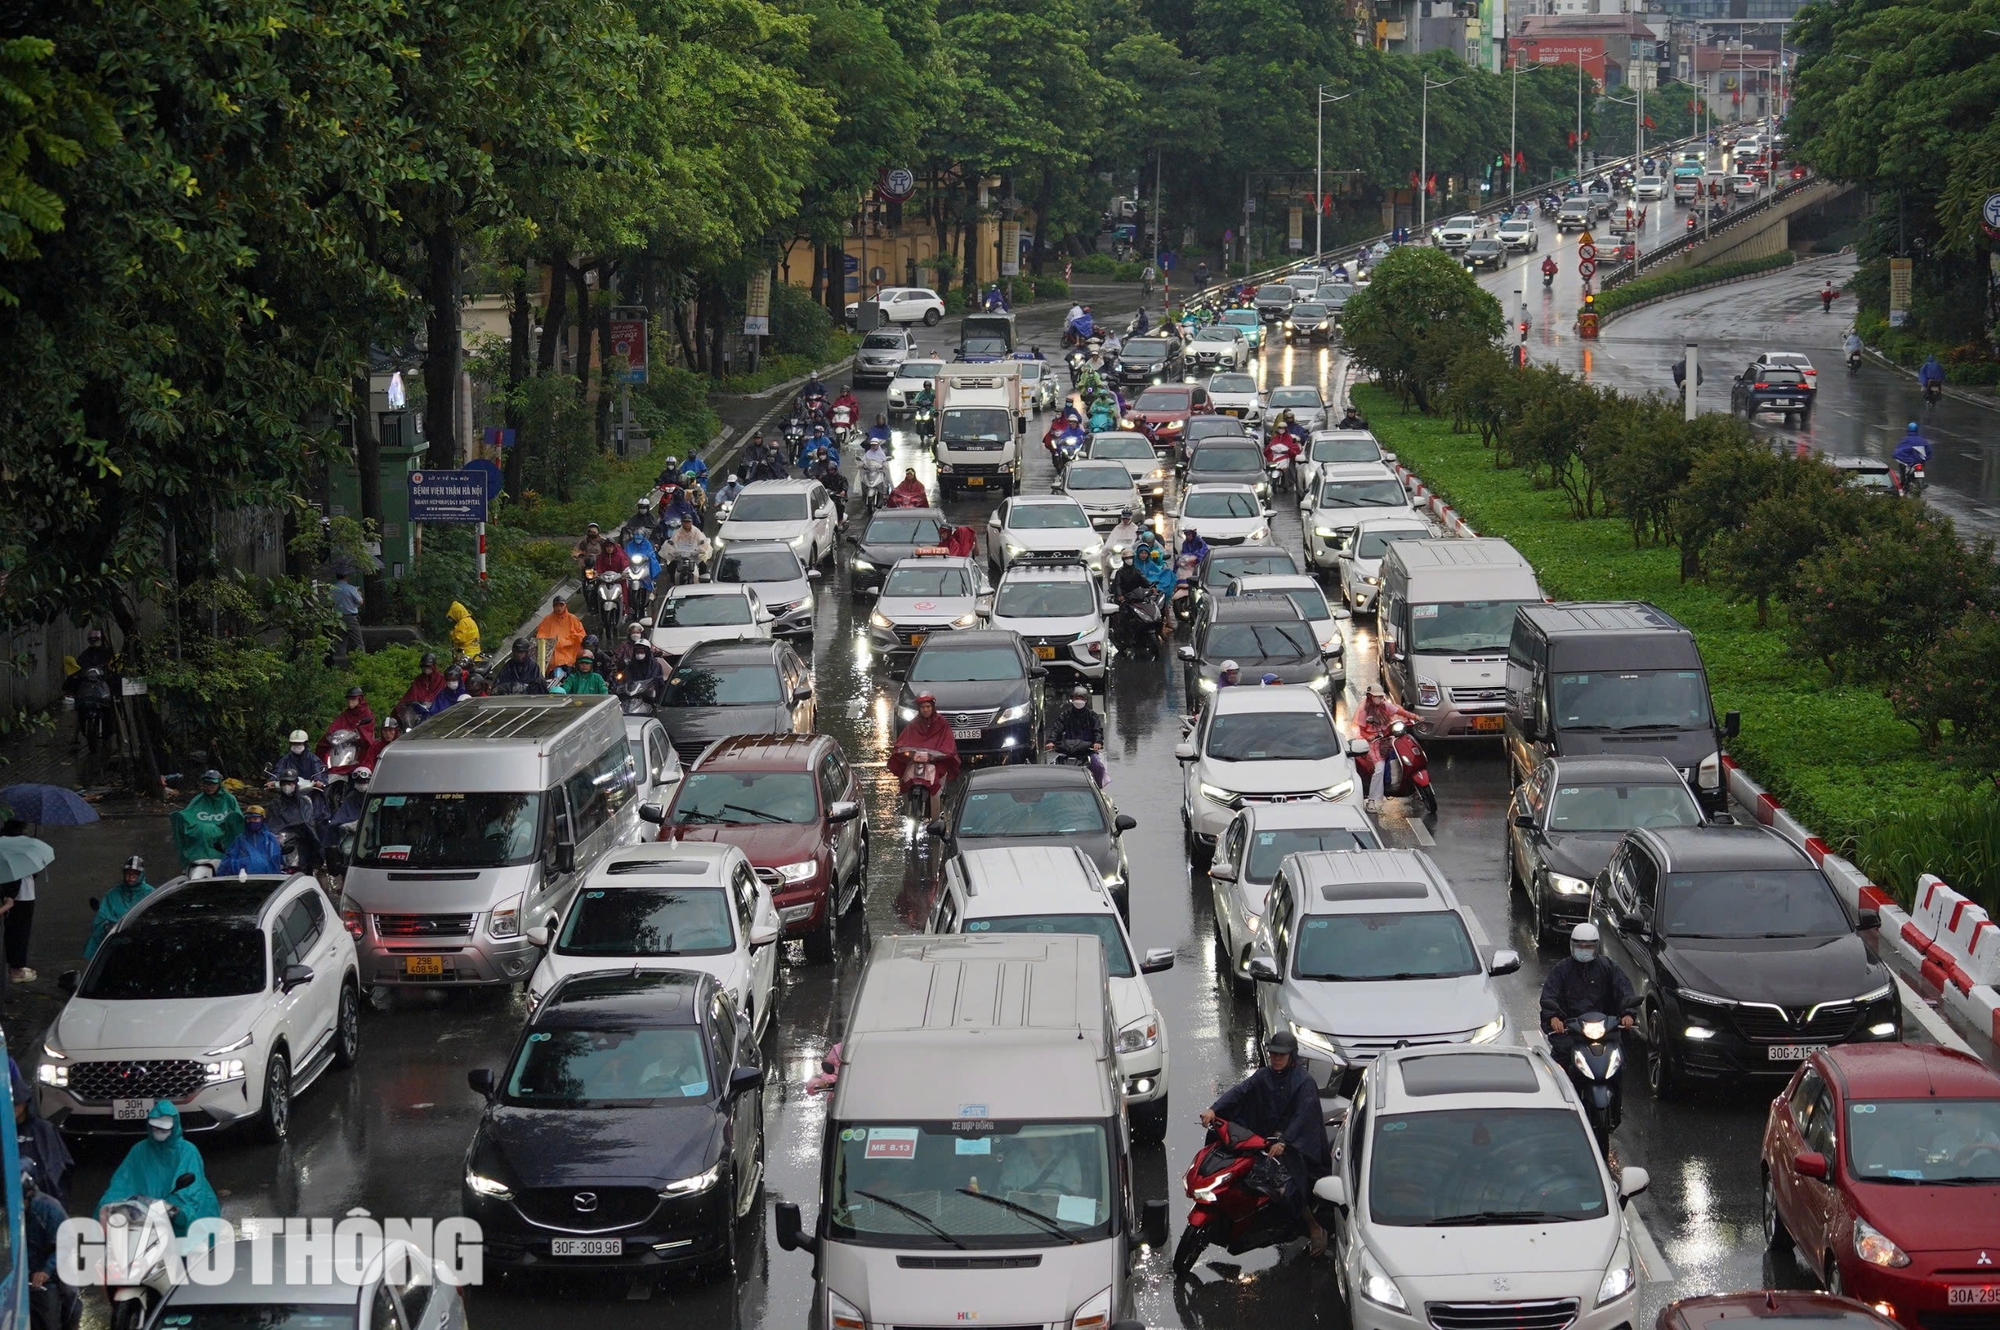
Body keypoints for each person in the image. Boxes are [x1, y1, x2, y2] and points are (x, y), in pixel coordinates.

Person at [1201, 1030, 1329, 1254]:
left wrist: (1285, 1142)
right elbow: (1240, 1092)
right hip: (1262, 1140)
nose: (1276, 1058)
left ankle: (1313, 1226)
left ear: (1292, 1056)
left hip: (1292, 1146)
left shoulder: (1304, 1083)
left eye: (1281, 1055)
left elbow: (1303, 1117)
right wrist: (1214, 1109)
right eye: (1273, 1054)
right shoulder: (1263, 1076)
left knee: (1287, 1187)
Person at [98, 1101, 221, 1239]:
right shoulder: (139, 1150)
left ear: (174, 1127)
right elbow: (121, 1183)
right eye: (155, 1128)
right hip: (142, 1215)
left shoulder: (187, 1151)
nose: (158, 1132)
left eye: (163, 1129)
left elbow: (191, 1192)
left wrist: (171, 1208)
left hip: (173, 1215)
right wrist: (109, 1204)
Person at [1541, 922, 1638, 1039]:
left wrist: (1628, 1013)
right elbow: (1549, 995)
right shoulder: (1561, 969)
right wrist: (1554, 1018)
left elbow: (1623, 988)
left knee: (1621, 1054)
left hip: (1605, 1030)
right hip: (1570, 1031)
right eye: (1580, 946)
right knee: (1560, 1055)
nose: (1583, 950)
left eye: (1588, 947)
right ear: (1572, 945)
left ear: (1596, 946)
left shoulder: (1607, 967)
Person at [888, 693, 960, 819]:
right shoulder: (914, 724)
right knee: (904, 781)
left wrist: (941, 754)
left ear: (932, 707)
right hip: (916, 761)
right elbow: (904, 740)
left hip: (936, 762)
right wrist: (904, 751)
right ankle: (906, 808)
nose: (925, 710)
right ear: (919, 709)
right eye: (922, 707)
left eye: (928, 706)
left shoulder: (941, 723)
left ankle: (937, 817)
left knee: (937, 788)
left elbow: (947, 742)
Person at [23, 1166, 76, 1330]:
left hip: (50, 1273)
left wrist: (46, 1270)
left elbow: (67, 1243)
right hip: (23, 1275)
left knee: (66, 1300)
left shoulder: (50, 1209)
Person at [12, 1066, 71, 1204]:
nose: (13, 1108)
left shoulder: (43, 1129)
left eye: (17, 1103)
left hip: (39, 1195)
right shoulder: (5, 1131)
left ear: (25, 1103)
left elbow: (56, 1169)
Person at [1357, 687, 1421, 810]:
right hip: (1375, 744)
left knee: (1406, 757)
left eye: (1380, 696)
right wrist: (1371, 737)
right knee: (1379, 769)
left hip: (1389, 739)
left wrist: (1415, 717)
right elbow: (1362, 731)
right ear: (1370, 696)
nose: (1379, 698)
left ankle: (1414, 788)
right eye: (1376, 696)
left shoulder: (1385, 706)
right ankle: (1373, 800)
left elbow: (1400, 711)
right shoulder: (1364, 711)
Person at [86, 856, 154, 960]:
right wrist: (108, 927)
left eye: (134, 874)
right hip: (115, 948)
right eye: (128, 874)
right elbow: (100, 919)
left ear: (141, 875)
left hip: (142, 947)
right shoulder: (113, 894)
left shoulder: (151, 894)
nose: (130, 877)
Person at [172, 771, 244, 868]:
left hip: (222, 832)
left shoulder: (229, 799)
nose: (209, 787)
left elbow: (238, 820)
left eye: (213, 784)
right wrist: (178, 817)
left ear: (219, 783)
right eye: (206, 784)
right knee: (202, 831)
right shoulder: (198, 799)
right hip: (202, 834)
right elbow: (188, 814)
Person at [1044, 685, 1107, 788]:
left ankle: (1098, 790)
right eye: (1076, 698)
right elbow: (1056, 729)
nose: (1079, 700)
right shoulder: (1065, 715)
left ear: (1086, 700)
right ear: (1071, 699)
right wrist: (1051, 741)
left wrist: (1097, 742)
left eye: (1082, 698)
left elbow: (1098, 731)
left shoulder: (1092, 716)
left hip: (1087, 751)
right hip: (1068, 750)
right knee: (1052, 766)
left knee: (1098, 766)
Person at [0, 820, 39, 983]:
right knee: (20, 934)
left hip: (14, 896)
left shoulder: (4, 845)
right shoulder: (20, 847)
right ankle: (16, 970)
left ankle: (15, 966)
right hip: (22, 896)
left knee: (13, 932)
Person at [219, 805, 285, 875]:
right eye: (249, 819)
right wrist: (245, 863)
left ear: (262, 820)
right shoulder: (240, 839)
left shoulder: (270, 838)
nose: (251, 821)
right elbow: (228, 860)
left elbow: (275, 860)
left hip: (267, 878)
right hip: (244, 878)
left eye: (255, 819)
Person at [318, 686, 377, 763]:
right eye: (348, 699)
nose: (350, 702)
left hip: (358, 744)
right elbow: (336, 724)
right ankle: (320, 767)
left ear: (359, 699)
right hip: (342, 743)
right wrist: (330, 733)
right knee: (321, 745)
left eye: (353, 699)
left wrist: (359, 733)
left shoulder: (366, 713)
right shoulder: (346, 714)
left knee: (367, 755)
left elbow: (368, 729)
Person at [535, 593, 587, 671]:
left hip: (569, 655)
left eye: (561, 605)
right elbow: (540, 636)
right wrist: (551, 643)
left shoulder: (572, 619)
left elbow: (582, 635)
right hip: (552, 658)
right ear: (553, 607)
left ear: (565, 606)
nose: (559, 608)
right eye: (556, 606)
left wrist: (565, 641)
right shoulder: (547, 619)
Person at [665, 513, 713, 579]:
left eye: (688, 522)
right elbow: (672, 542)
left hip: (694, 555)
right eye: (685, 522)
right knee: (670, 565)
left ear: (691, 522)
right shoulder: (678, 532)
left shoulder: (696, 532)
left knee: (703, 566)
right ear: (681, 523)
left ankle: (702, 582)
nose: (687, 524)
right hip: (680, 556)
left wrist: (699, 549)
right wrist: (672, 549)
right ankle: (672, 581)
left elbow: (703, 541)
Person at [330, 569, 364, 659]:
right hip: (350, 617)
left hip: (337, 617)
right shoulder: (351, 588)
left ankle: (339, 661)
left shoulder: (332, 588)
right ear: (346, 576)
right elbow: (360, 602)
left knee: (340, 641)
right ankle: (361, 659)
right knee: (358, 641)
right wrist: (359, 594)